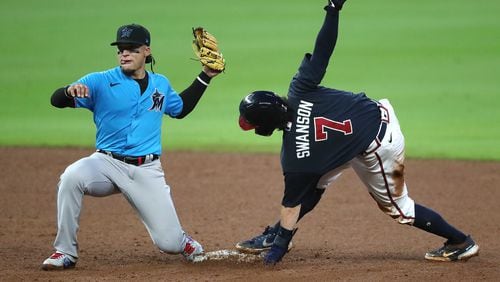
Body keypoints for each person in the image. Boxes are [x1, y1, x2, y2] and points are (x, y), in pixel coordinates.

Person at [236, 1, 479, 265]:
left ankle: (460, 242)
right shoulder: (300, 88)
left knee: (400, 208)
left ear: (265, 124)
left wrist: (277, 253)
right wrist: (333, 10)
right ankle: (277, 233)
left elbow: (291, 203)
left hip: (379, 145)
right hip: (374, 114)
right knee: (317, 180)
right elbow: (323, 50)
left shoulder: (296, 158)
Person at [42, 23, 222, 270]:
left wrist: (206, 76)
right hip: (106, 164)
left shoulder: (160, 83)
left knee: (169, 244)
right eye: (120, 50)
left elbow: (180, 109)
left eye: (132, 49)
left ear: (146, 51)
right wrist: (67, 91)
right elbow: (56, 100)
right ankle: (64, 252)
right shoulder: (99, 81)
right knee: (72, 176)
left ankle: (183, 241)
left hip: (146, 170)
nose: (124, 54)